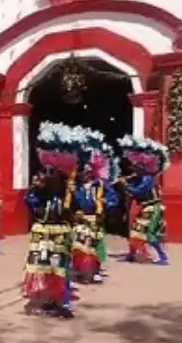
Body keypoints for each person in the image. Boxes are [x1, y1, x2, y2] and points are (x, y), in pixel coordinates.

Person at [23, 122, 90, 316]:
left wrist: (72, 188)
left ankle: (65, 302)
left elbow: (83, 205)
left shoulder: (68, 189)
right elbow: (30, 204)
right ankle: (52, 299)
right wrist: (35, 188)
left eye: (53, 173)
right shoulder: (41, 189)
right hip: (42, 231)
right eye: (47, 171)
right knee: (45, 267)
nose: (48, 175)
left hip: (60, 232)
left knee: (60, 268)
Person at [71, 132, 116, 284]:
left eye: (88, 171)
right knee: (79, 246)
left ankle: (95, 271)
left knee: (96, 246)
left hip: (95, 220)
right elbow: (73, 203)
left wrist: (104, 204)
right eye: (83, 171)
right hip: (81, 220)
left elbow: (113, 200)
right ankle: (80, 270)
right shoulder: (76, 187)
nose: (85, 174)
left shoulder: (101, 186)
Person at [119, 135, 171, 265]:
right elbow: (136, 194)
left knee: (150, 235)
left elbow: (138, 191)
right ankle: (131, 254)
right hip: (145, 208)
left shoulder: (148, 179)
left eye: (136, 168)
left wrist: (125, 186)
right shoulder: (141, 178)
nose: (134, 170)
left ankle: (162, 256)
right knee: (135, 232)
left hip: (153, 209)